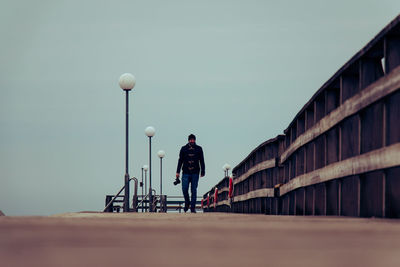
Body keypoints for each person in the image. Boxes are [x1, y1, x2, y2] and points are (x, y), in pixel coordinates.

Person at [176, 134, 205, 213]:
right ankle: (187, 202)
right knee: (184, 189)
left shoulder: (199, 149)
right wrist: (177, 172)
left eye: (193, 140)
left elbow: (202, 160)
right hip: (185, 172)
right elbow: (180, 160)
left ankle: (192, 207)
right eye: (191, 140)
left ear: (195, 140)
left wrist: (203, 171)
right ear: (188, 140)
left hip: (195, 172)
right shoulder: (184, 149)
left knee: (194, 190)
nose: (192, 141)